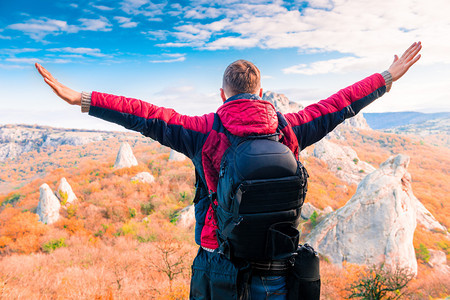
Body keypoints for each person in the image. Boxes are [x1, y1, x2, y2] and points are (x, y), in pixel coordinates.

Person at [36, 41, 422, 299]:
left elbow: (145, 114)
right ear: (261, 92)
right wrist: (386, 78)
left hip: (218, 262)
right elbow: (341, 103)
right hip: (277, 265)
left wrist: (83, 99)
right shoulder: (290, 128)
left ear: (223, 94)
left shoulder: (201, 132)